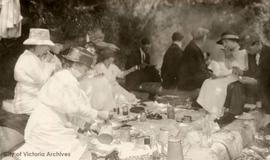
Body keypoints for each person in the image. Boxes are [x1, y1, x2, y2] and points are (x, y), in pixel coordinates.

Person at [21, 47, 110, 160]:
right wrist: (98, 114)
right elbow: (74, 108)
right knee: (76, 152)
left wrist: (86, 126)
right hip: (47, 125)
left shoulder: (64, 76)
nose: (86, 72)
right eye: (85, 68)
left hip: (47, 121)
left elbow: (70, 109)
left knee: (77, 147)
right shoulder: (67, 80)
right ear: (75, 65)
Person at [217, 32, 270, 125]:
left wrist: (256, 81)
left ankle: (232, 114)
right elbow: (254, 72)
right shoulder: (252, 54)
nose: (247, 51)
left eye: (249, 48)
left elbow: (266, 77)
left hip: (266, 85)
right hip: (258, 83)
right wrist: (242, 73)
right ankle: (231, 113)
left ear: (258, 44)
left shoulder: (268, 53)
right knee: (233, 85)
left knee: (237, 86)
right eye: (246, 48)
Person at [196, 31, 248, 119]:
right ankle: (210, 110)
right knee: (208, 82)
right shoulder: (229, 52)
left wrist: (229, 57)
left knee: (215, 85)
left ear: (233, 41)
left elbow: (240, 71)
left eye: (226, 42)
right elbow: (228, 68)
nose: (224, 45)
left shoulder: (242, 52)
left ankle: (216, 111)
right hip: (230, 76)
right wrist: (218, 75)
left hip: (238, 78)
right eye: (224, 43)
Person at [13, 28, 59, 115]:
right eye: (46, 46)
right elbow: (42, 79)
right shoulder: (28, 58)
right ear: (39, 45)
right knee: (53, 113)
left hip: (32, 98)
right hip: (26, 102)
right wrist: (50, 66)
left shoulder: (33, 58)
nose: (48, 49)